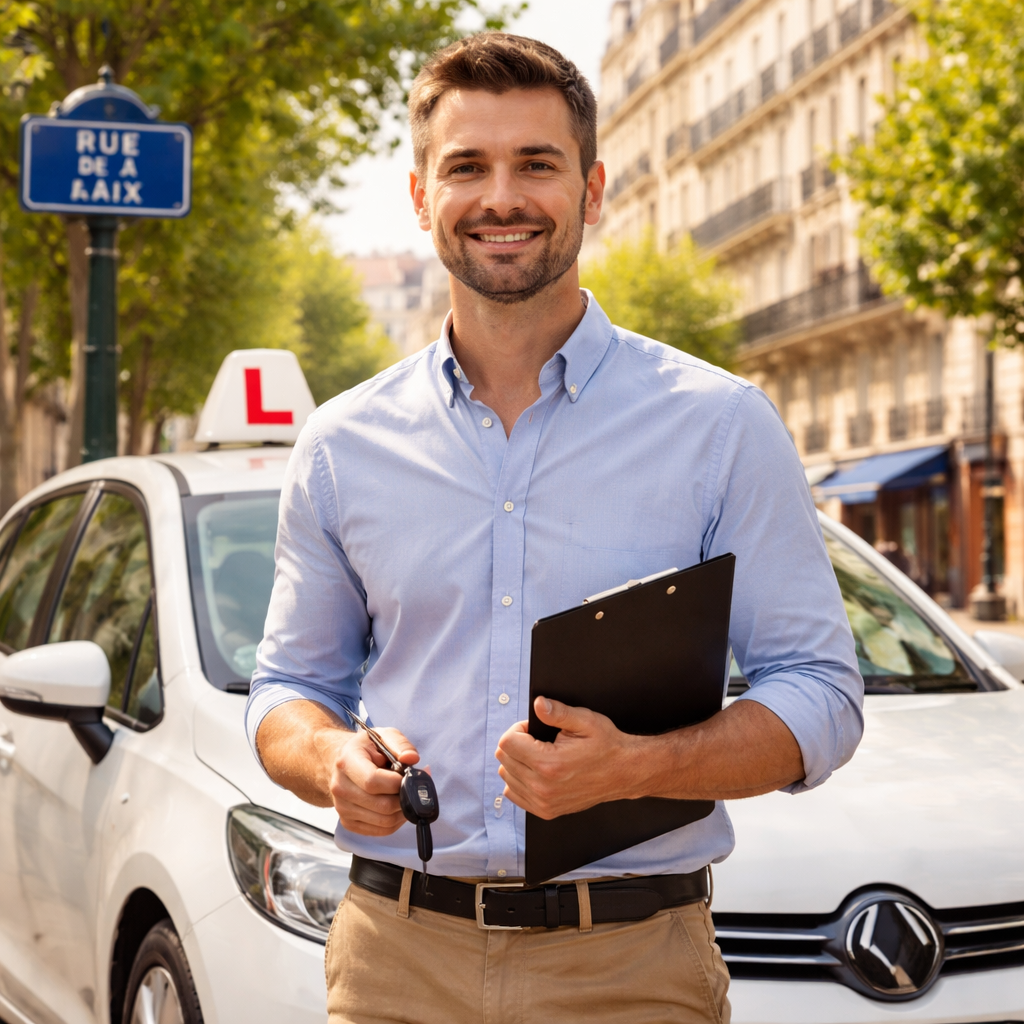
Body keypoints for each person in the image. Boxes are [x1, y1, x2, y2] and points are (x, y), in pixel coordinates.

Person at [246, 32, 863, 1024]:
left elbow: (822, 691)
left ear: (592, 189)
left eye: (536, 163)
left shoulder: (720, 425)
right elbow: (288, 688)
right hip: (394, 958)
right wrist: (331, 764)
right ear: (421, 197)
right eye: (467, 167)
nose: (502, 198)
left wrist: (643, 767)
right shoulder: (340, 445)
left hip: (631, 968)